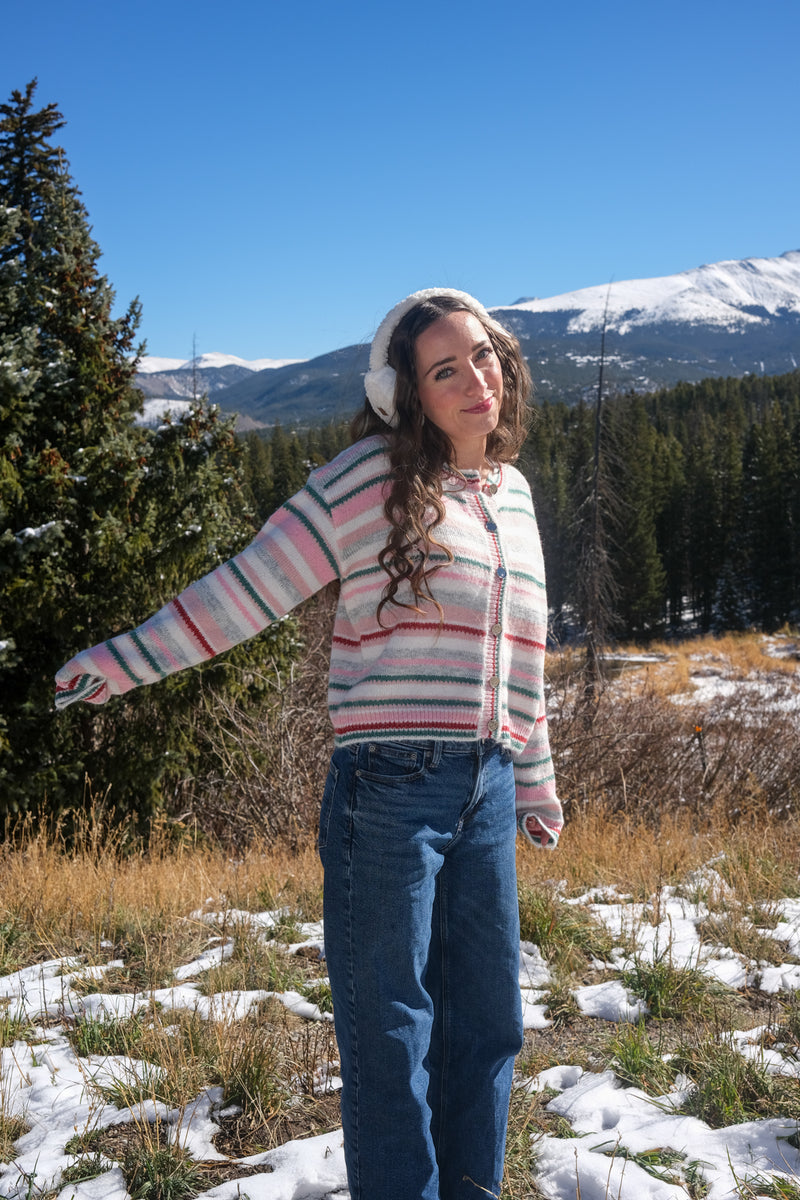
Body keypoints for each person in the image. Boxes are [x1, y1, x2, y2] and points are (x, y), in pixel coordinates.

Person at [55, 287, 563, 1200]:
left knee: (489, 1025)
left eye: (482, 355)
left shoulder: (513, 494)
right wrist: (123, 661)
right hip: (389, 791)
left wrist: (533, 778)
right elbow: (242, 592)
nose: (474, 379)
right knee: (390, 1031)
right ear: (406, 393)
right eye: (444, 369)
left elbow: (522, 654)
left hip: (485, 787)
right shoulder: (364, 482)